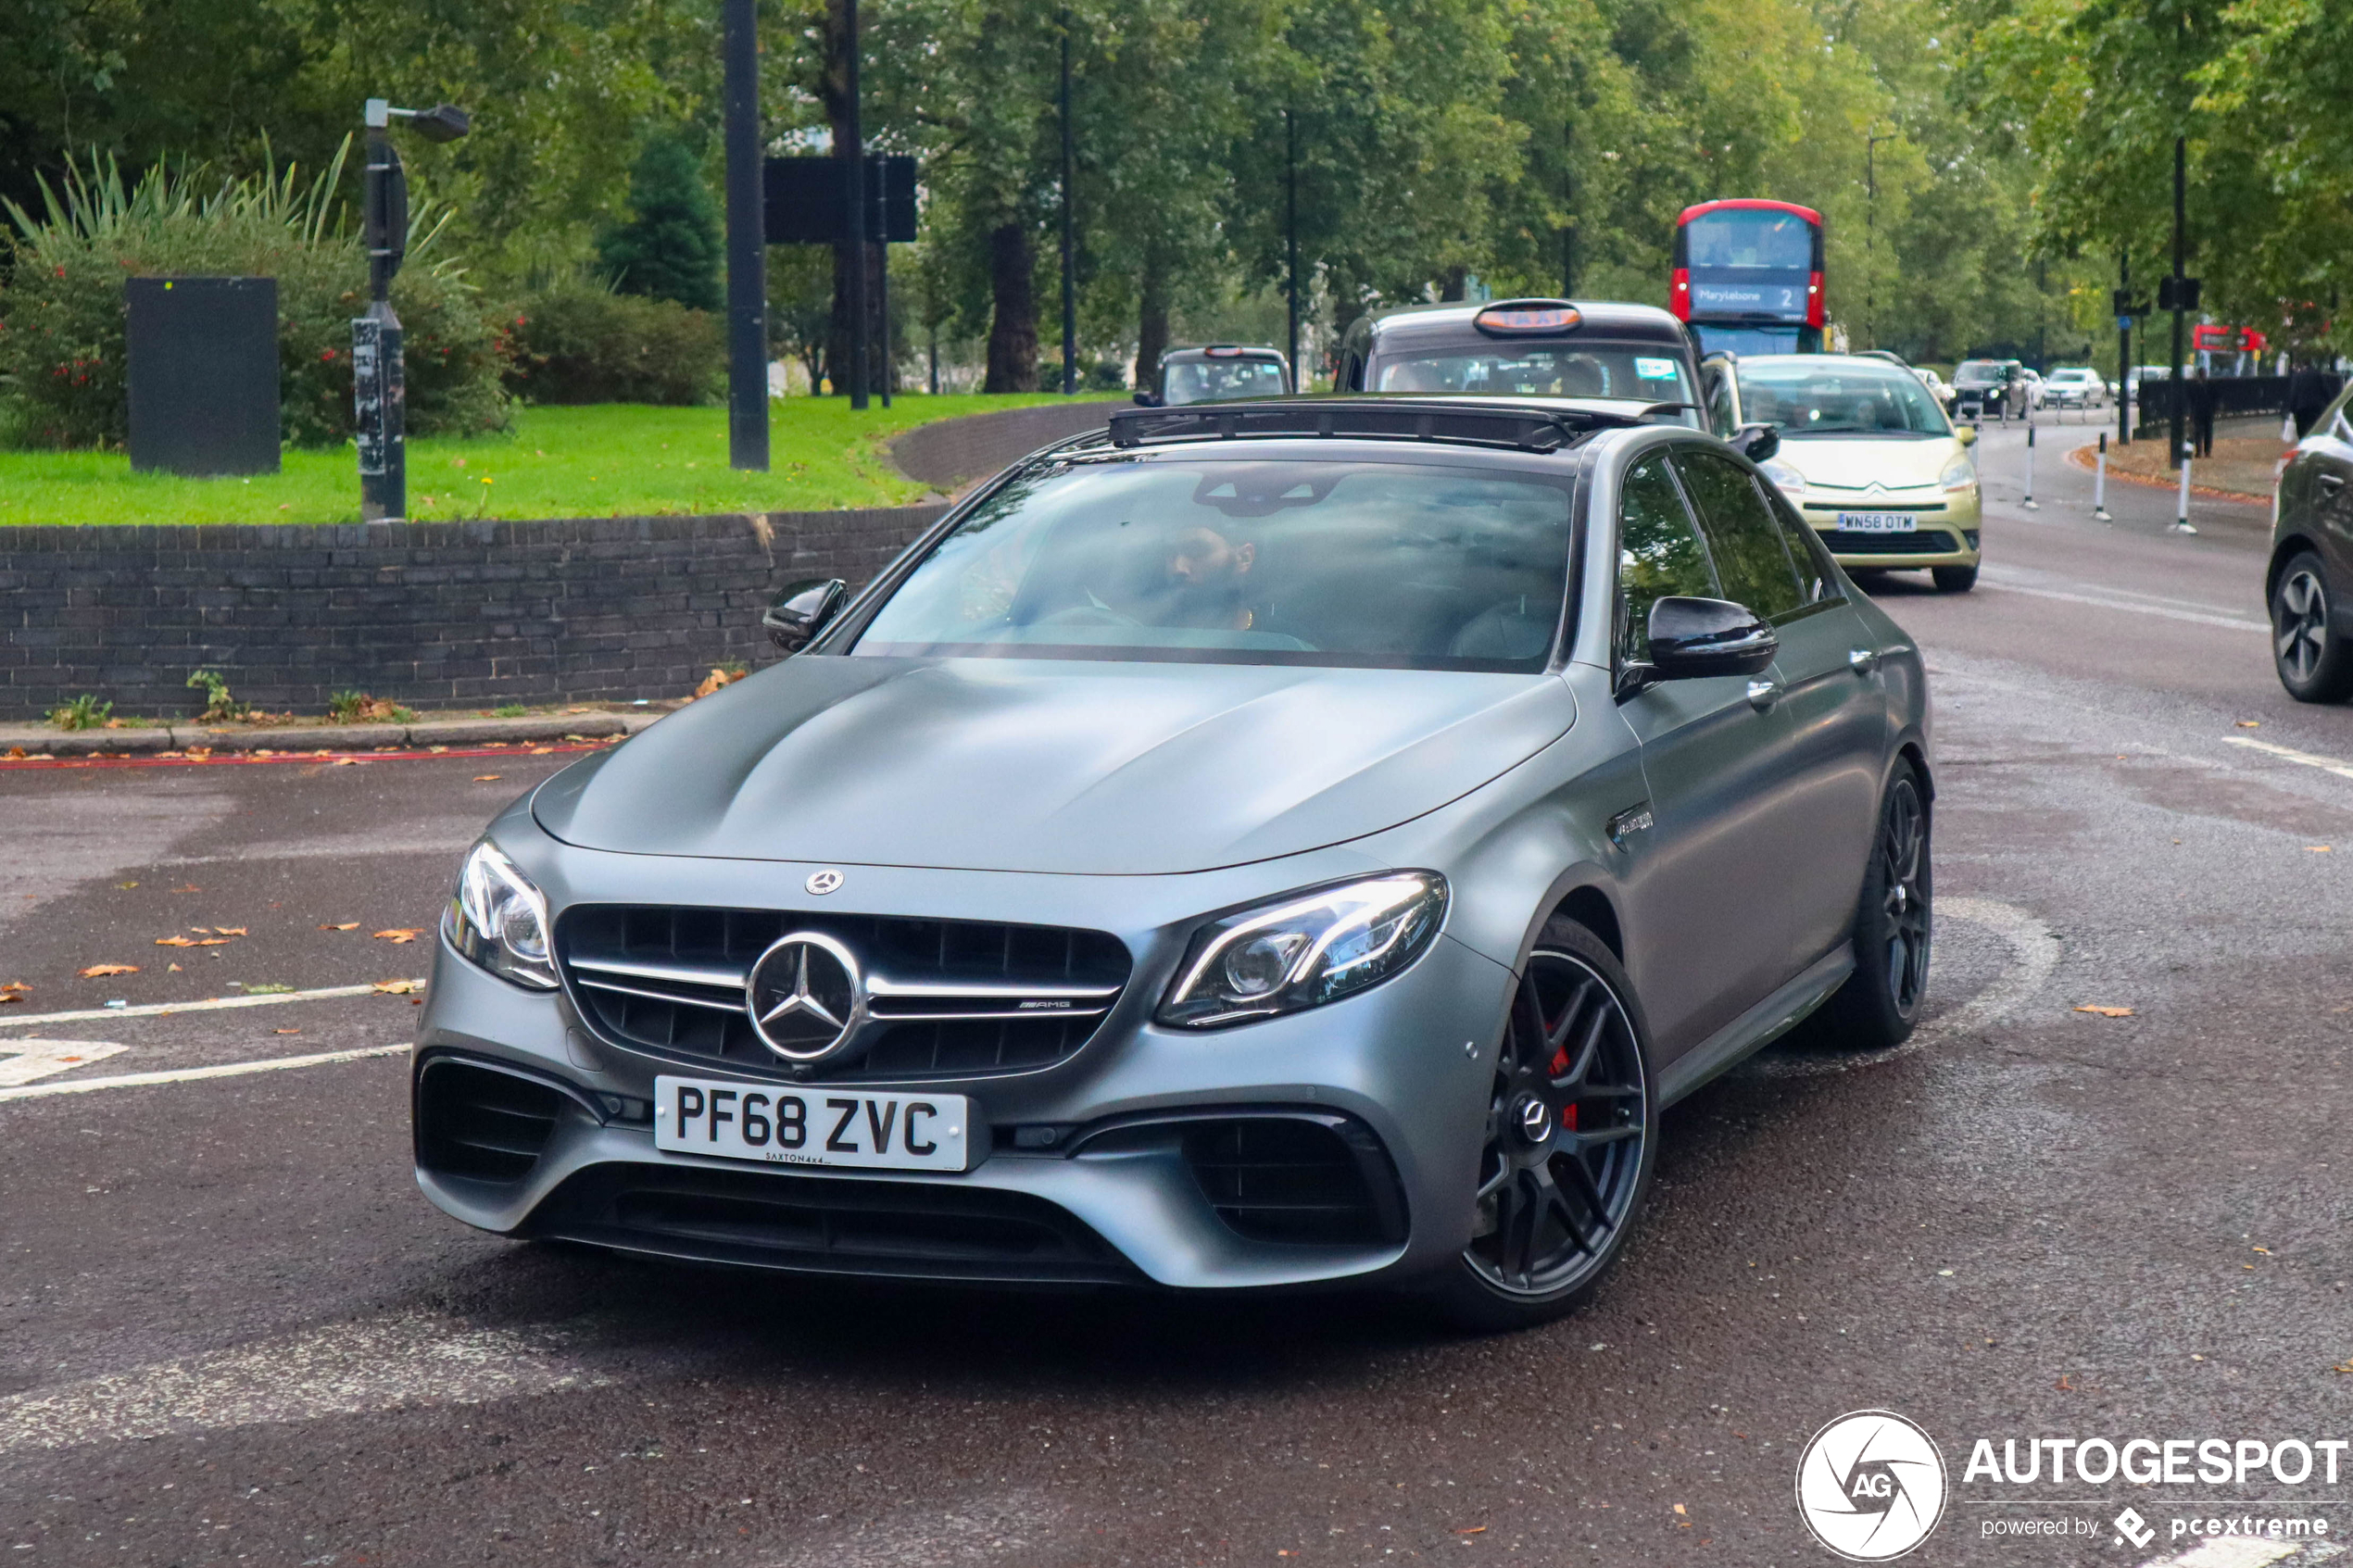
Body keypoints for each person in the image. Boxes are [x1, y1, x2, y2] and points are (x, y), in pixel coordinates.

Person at [2186, 368, 2218, 459]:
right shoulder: (2200, 386)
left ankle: (2205, 451)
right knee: (2201, 432)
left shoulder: (2203, 385)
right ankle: (2201, 451)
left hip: (2204, 411)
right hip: (2201, 412)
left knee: (2205, 432)